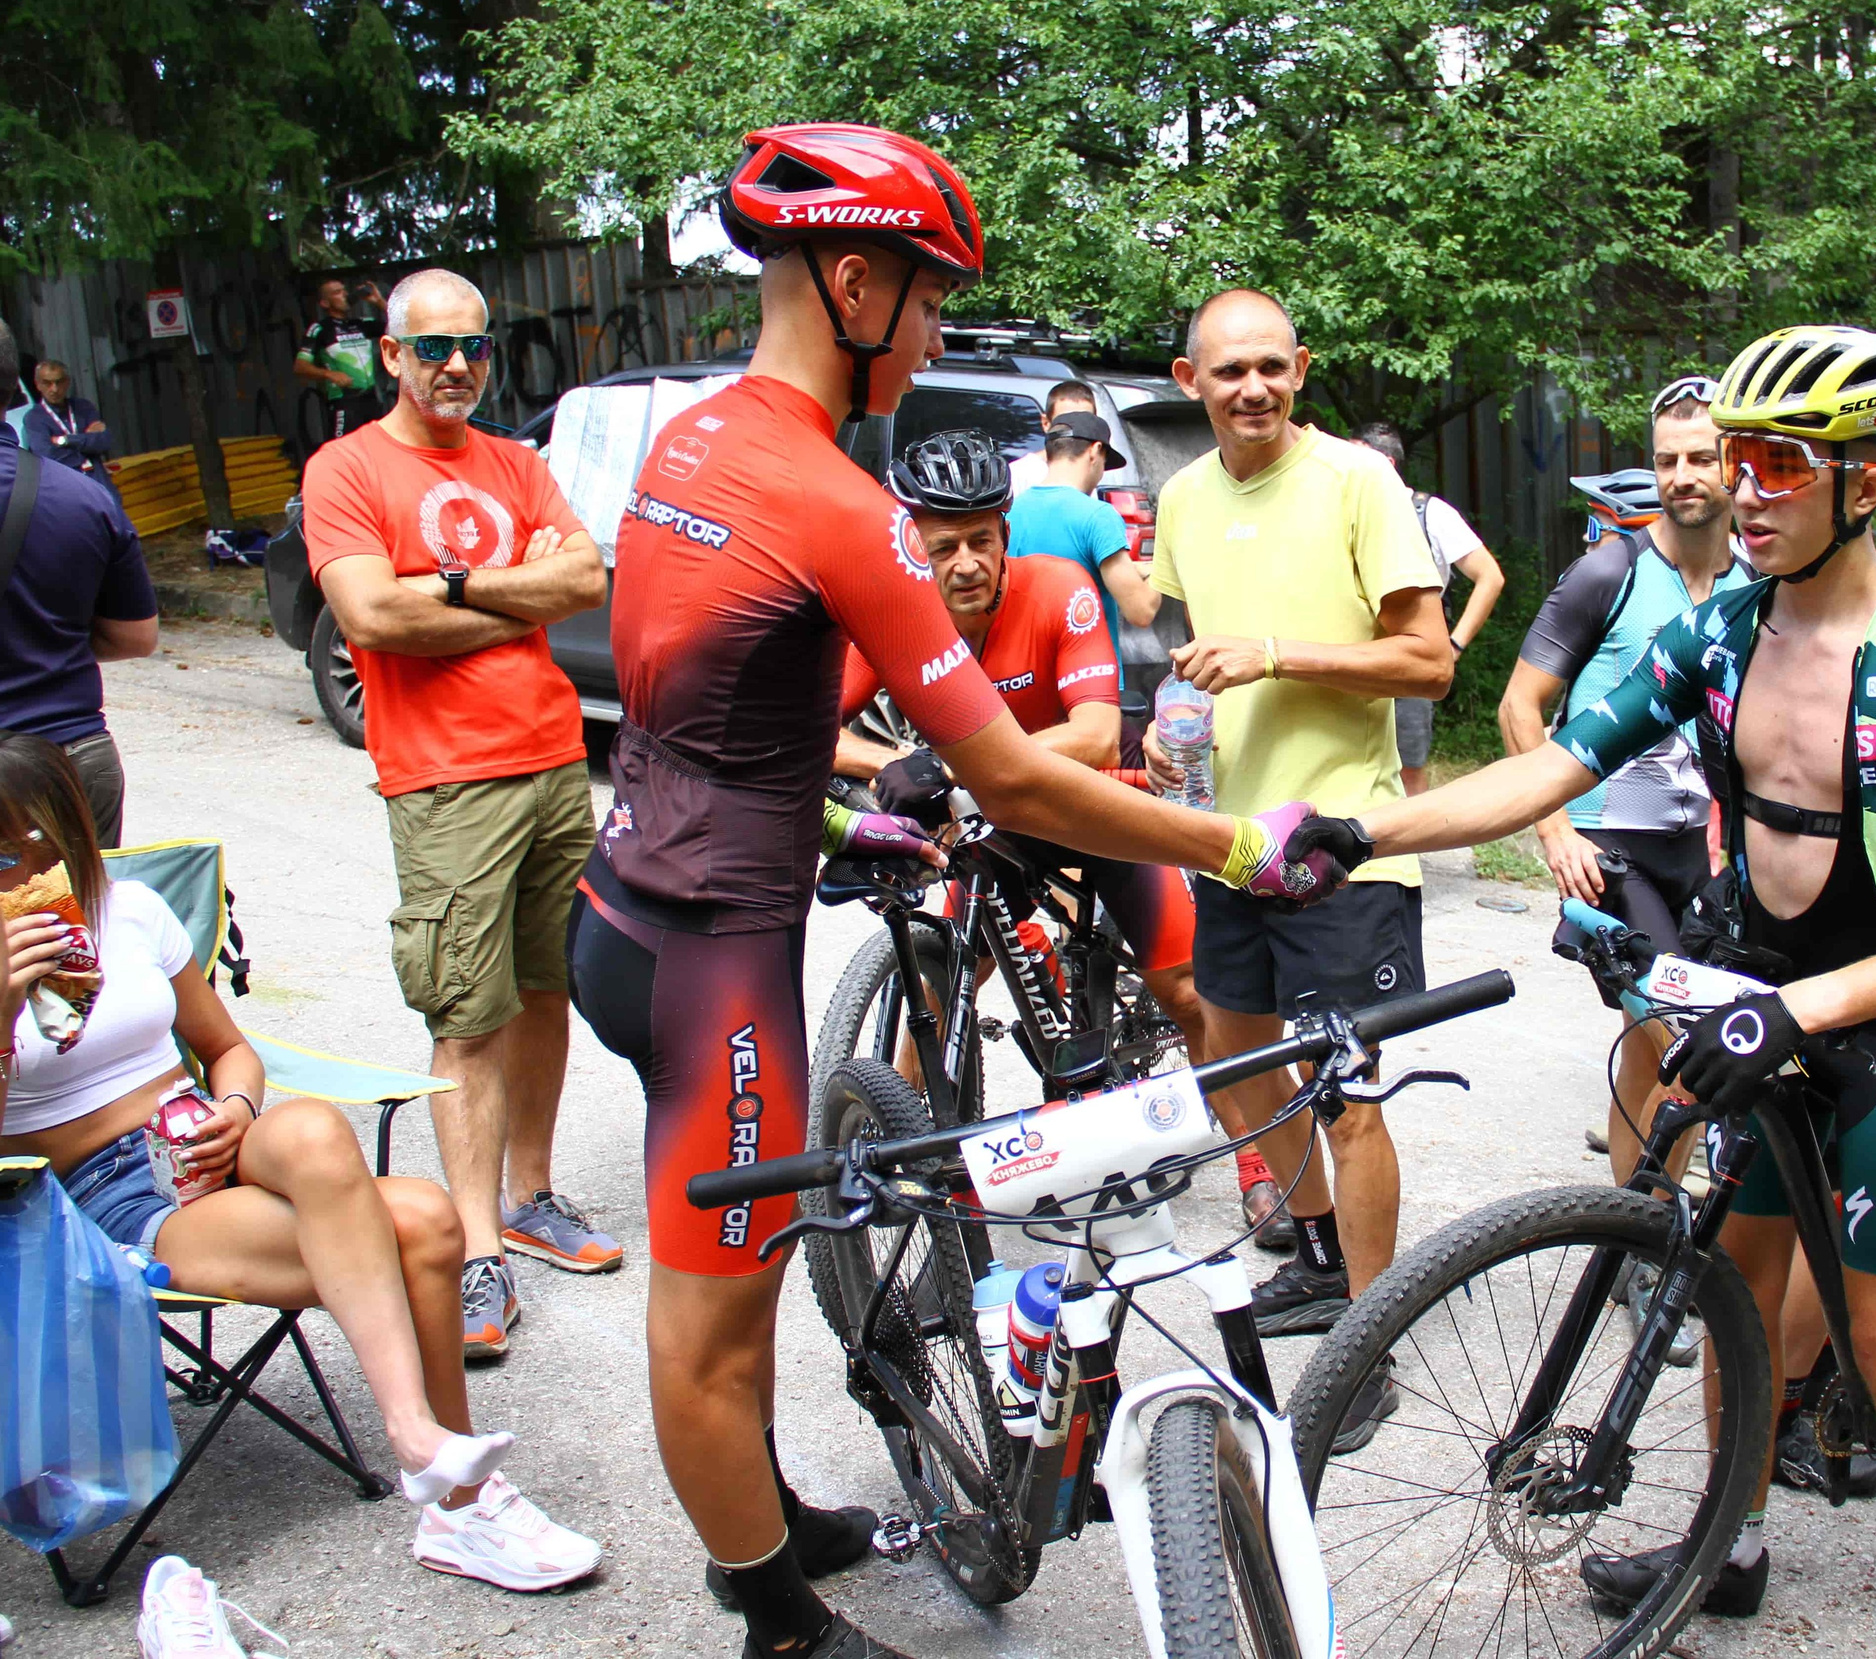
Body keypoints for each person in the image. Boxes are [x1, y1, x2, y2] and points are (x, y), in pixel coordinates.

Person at [567, 123, 1342, 1659]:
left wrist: (816, 829)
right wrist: (1240, 844)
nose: (935, 333)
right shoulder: (839, 499)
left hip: (638, 900)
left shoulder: (691, 443)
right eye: (926, 299)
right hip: (713, 954)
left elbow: (684, 698)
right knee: (713, 1329)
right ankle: (778, 1618)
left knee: (750, 1278)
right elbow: (1020, 782)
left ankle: (768, 1522)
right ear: (850, 280)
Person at [1292, 327, 1876, 1659]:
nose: (1743, 487)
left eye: (1777, 462)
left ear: (1864, 481)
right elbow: (1561, 757)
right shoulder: (1725, 626)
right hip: (1763, 992)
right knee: (1735, 1288)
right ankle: (1732, 1541)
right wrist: (1368, 831)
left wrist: (1807, 1010)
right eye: (1731, 458)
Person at [0, 736, 601, 1594]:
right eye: (0, 849)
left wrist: (232, 1109)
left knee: (312, 1125)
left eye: (38, 843)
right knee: (427, 1221)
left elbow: (229, 1051)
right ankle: (452, 1492)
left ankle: (425, 1451)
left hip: (208, 1140)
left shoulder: (128, 911)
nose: (23, 868)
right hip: (99, 1196)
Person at [300, 268, 621, 1362]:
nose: (456, 368)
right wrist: (501, 586)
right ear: (389, 355)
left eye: (475, 349)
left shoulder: (515, 461)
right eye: (432, 348)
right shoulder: (346, 470)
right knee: (468, 1015)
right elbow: (369, 614)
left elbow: (582, 580)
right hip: (445, 784)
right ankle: (475, 1248)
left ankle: (529, 1198)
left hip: (549, 766)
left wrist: (445, 588)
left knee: (544, 990)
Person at [1142, 288, 1451, 1371]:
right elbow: (1199, 653)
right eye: (1229, 372)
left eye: (1271, 366)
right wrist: (1172, 727)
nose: (1252, 388)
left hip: (1339, 843)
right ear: (1192, 385)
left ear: (1302, 370)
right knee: (1235, 1066)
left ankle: (1369, 1343)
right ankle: (1321, 1256)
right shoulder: (1180, 496)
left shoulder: (1357, 481)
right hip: (1228, 840)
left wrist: (1275, 652)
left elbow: (1429, 660)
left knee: (1349, 1093)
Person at [834, 429, 1210, 1080]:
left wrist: (949, 764)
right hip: (1001, 821)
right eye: (944, 546)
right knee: (940, 986)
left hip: (1096, 806)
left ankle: (1258, 1165)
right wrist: (886, 760)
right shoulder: (893, 617)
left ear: (1004, 533)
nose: (967, 562)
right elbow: (813, 730)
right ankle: (907, 1139)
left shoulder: (1059, 589)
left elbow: (1094, 734)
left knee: (1185, 994)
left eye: (982, 540)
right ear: (911, 545)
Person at [1501, 376, 1747, 1199]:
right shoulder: (1609, 571)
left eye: (1701, 457)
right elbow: (1518, 706)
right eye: (1667, 458)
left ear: (1734, 463)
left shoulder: (1757, 577)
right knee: (1669, 1034)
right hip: (1608, 848)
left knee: (1668, 1050)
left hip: (1703, 852)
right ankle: (1646, 1241)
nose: (1682, 475)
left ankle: (1639, 1223)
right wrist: (1555, 830)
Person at [0, 315, 157, 849]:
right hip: (69, 761)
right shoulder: (84, 500)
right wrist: (48, 631)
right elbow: (137, 638)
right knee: (74, 931)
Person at [1351, 422, 1508, 795]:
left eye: (1356, 455)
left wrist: (1453, 647)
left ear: (1386, 463)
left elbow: (1490, 577)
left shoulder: (1429, 512)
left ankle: (1414, 851)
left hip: (1410, 660)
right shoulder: (1342, 511)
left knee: (1409, 768)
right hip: (1352, 658)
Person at [1007, 408, 1159, 662]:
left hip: (1029, 676)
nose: (1101, 473)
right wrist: (1165, 568)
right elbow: (1141, 612)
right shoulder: (1097, 515)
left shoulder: (1014, 510)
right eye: (1103, 464)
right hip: (1089, 680)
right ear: (1095, 451)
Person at [296, 276, 389, 442]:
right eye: (337, 292)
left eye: (344, 290)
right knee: (345, 449)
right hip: (344, 401)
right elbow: (300, 366)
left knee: (381, 447)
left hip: (371, 399)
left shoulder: (362, 324)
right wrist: (329, 374)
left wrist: (379, 301)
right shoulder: (320, 329)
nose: (345, 294)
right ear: (325, 303)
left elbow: (402, 327)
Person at [15, 360, 113, 480]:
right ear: (38, 385)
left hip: (98, 481)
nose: (54, 389)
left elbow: (104, 442)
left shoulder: (84, 407)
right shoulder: (34, 418)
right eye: (47, 383)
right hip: (65, 484)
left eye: (59, 382)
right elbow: (48, 457)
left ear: (67, 382)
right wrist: (87, 450)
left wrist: (65, 440)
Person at [1007, 378, 1099, 495]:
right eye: (1065, 423)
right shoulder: (1019, 474)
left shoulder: (1092, 473)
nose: (1076, 431)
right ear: (1046, 423)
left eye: (1085, 422)